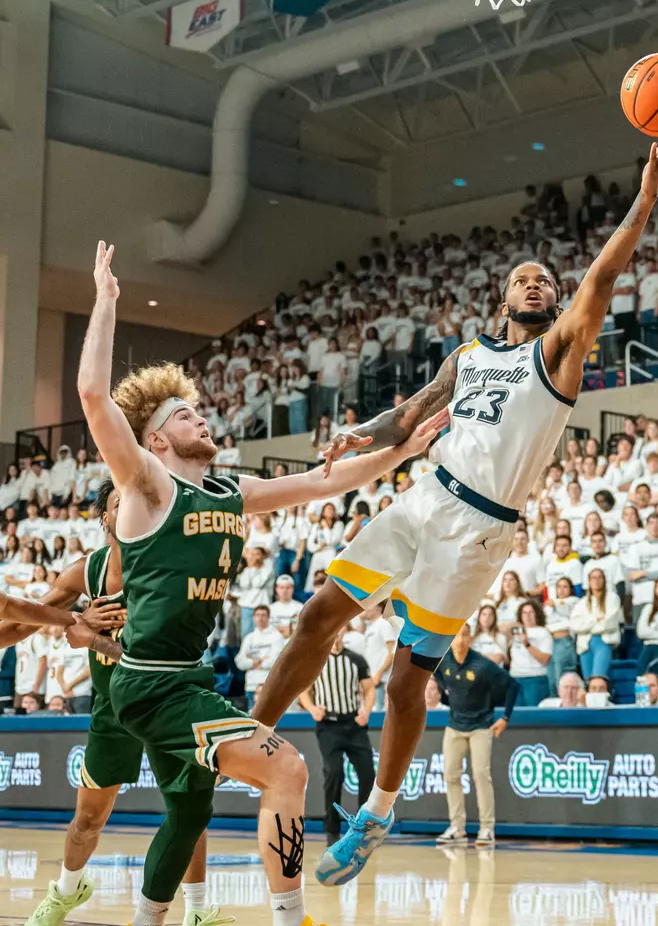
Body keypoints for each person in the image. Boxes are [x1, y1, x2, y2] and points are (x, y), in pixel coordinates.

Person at [251, 137, 658, 884]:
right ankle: (246, 737)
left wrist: (644, 196)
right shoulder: (469, 355)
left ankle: (379, 810)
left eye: (546, 280)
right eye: (525, 279)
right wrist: (365, 431)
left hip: (480, 530)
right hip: (424, 496)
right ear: (504, 298)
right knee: (320, 612)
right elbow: (412, 412)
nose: (538, 285)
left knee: (404, 681)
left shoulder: (557, 356)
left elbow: (604, 278)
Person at [76, 241, 447, 926]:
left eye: (197, 411)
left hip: (189, 679)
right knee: (288, 770)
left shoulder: (227, 490)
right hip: (149, 681)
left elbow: (325, 479)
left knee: (188, 813)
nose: (200, 417)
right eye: (183, 416)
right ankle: (291, 919)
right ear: (155, 441)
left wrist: (405, 450)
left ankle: (149, 920)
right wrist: (105, 302)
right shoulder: (147, 488)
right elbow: (95, 395)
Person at [4, 482, 222, 926]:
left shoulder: (172, 569)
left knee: (187, 811)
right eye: (120, 503)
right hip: (112, 706)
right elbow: (18, 624)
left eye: (140, 501)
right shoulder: (87, 571)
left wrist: (93, 639)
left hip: (169, 698)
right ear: (104, 518)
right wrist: (74, 620)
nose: (131, 509)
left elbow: (157, 664)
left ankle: (199, 910)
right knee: (87, 818)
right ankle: (66, 891)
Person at [435, 625, 518, 848]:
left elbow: (513, 685)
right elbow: (435, 674)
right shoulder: (443, 661)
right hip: (454, 726)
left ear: (471, 639)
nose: (460, 640)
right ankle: (457, 828)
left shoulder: (483, 665)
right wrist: (446, 695)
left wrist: (505, 718)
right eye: (456, 635)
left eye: (464, 635)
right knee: (450, 775)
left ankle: (487, 828)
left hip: (481, 725)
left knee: (481, 775)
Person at [298, 627, 376, 847]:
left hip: (353, 724)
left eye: (340, 629)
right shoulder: (316, 659)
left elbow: (369, 689)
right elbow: (304, 689)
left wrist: (366, 711)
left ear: (344, 632)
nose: (337, 634)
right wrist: (312, 708)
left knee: (368, 773)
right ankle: (332, 829)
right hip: (328, 726)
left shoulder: (356, 659)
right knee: (334, 773)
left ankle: (364, 826)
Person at [569, 568, 622, 682]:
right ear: (588, 581)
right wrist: (595, 620)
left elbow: (610, 623)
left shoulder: (612, 598)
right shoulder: (582, 602)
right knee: (588, 680)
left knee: (599, 677)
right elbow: (574, 624)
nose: (596, 580)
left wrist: (586, 624)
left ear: (604, 580)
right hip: (584, 644)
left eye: (599, 577)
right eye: (593, 578)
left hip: (604, 641)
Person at [235, 604, 286, 709]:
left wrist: (252, 661)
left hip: (269, 685)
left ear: (268, 617)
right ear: (253, 618)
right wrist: (258, 661)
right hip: (250, 686)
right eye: (258, 615)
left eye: (263, 615)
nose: (260, 618)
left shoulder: (277, 637)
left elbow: (276, 661)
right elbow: (240, 661)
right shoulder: (249, 638)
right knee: (251, 721)